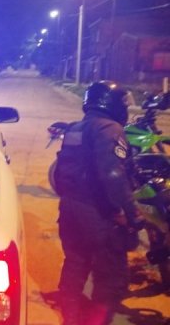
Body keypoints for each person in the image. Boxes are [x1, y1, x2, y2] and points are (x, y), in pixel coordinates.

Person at [53, 80, 144, 324]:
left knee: (75, 263)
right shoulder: (109, 129)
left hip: (70, 210)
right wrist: (128, 212)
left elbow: (60, 173)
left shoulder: (74, 128)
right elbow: (113, 175)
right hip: (98, 215)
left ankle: (69, 318)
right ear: (113, 103)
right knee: (111, 277)